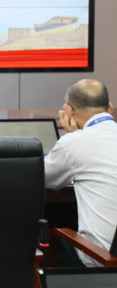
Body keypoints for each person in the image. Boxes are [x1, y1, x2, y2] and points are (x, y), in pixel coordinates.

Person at [45, 78, 117, 267]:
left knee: (43, 241)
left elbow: (44, 177)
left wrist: (72, 136)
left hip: (102, 259)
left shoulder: (74, 143)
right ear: (109, 108)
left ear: (68, 110)